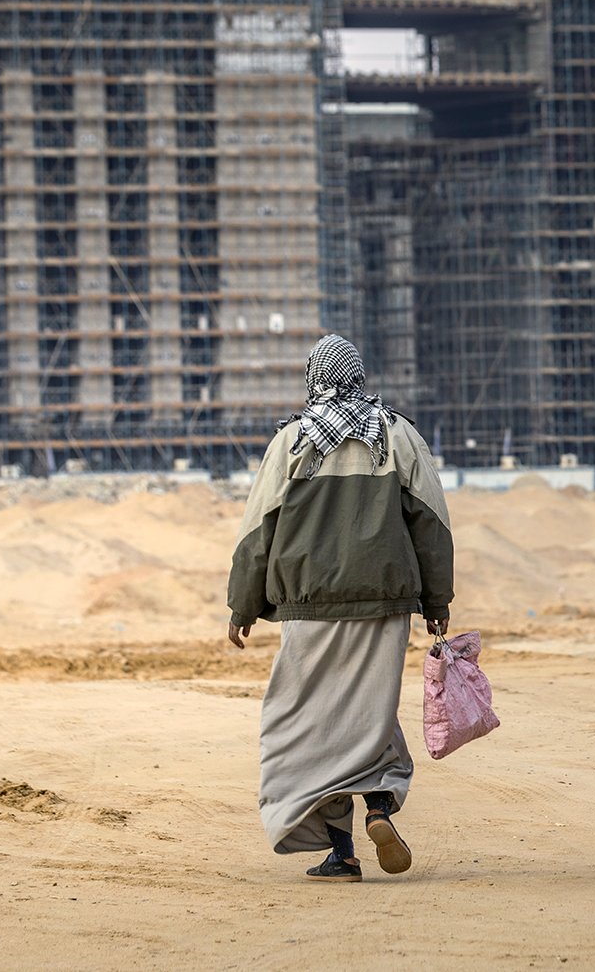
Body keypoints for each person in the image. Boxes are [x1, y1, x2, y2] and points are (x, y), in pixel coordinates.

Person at [226, 334, 454, 883]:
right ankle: (378, 807)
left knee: (310, 723)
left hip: (308, 608)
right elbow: (433, 522)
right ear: (359, 375)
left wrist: (243, 604)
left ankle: (342, 852)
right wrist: (436, 601)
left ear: (312, 379)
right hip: (384, 603)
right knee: (370, 713)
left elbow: (259, 528)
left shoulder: (291, 442)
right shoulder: (397, 435)